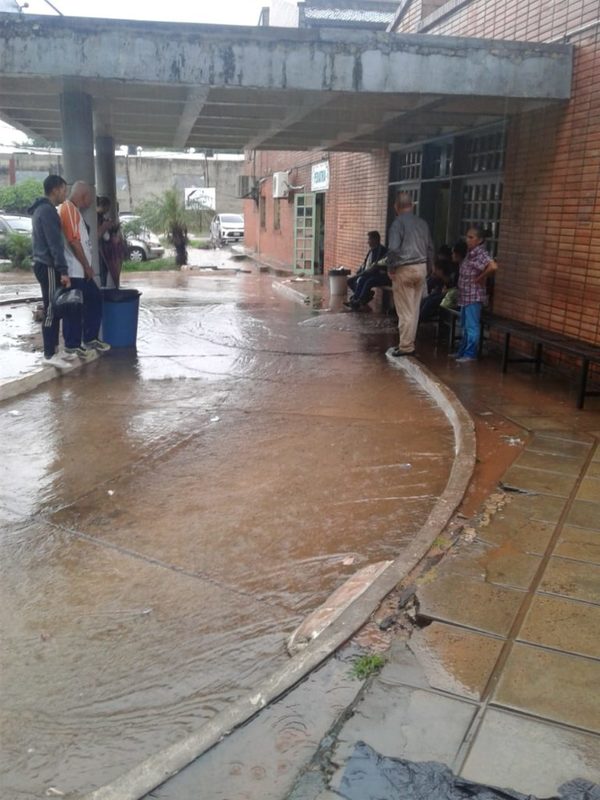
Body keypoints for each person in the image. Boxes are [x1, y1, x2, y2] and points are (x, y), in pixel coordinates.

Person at [58, 181, 111, 356]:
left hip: (80, 270)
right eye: (91, 197)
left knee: (93, 299)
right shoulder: (69, 209)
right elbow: (74, 241)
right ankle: (73, 344)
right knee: (74, 306)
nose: (92, 202)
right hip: (75, 270)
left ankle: (89, 338)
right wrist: (87, 266)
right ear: (84, 195)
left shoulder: (75, 211)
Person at [29, 174, 74, 368]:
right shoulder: (47, 211)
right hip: (48, 265)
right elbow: (54, 244)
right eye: (64, 189)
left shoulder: (43, 209)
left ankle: (54, 350)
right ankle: (48, 354)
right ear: (55, 189)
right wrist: (63, 270)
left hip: (47, 264)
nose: (65, 193)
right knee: (50, 309)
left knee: (55, 308)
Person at [385, 193, 434, 356]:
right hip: (421, 269)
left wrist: (390, 268)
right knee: (414, 310)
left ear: (396, 208)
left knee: (405, 311)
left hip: (404, 270)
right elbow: (430, 248)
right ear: (412, 206)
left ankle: (406, 346)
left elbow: (393, 249)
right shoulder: (423, 224)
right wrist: (429, 268)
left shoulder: (398, 224)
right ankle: (409, 343)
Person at [452, 225, 497, 362]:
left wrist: (480, 277)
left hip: (473, 295)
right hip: (465, 296)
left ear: (479, 240)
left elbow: (493, 266)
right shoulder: (470, 253)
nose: (468, 240)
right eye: (467, 237)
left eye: (471, 237)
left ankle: (470, 354)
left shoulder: (480, 253)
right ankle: (462, 351)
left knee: (472, 327)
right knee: (465, 326)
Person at [344, 231, 389, 310]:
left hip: (380, 275)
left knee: (366, 281)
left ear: (375, 239)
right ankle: (362, 297)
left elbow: (375, 267)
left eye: (369, 239)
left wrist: (360, 275)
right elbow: (365, 264)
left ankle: (359, 301)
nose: (368, 242)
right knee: (353, 280)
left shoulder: (381, 250)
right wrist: (359, 271)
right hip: (369, 274)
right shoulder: (371, 251)